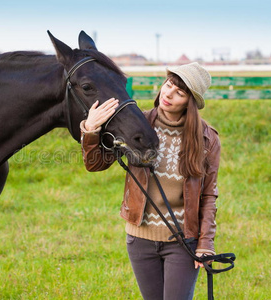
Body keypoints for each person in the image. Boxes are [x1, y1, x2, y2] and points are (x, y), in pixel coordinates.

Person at [80, 62, 220, 300]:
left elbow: (208, 194)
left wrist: (205, 242)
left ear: (190, 102)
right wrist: (91, 130)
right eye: (168, 85)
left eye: (179, 92)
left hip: (182, 241)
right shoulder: (136, 124)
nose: (168, 94)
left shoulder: (207, 138)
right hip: (140, 239)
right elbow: (95, 164)